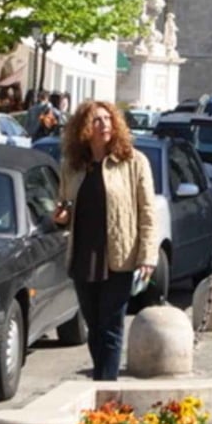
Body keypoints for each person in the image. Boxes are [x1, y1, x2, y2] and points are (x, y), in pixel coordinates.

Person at [53, 102, 158, 381]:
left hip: (119, 256)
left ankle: (105, 391)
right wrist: (61, 216)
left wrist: (147, 256)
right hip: (84, 255)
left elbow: (148, 212)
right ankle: (100, 381)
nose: (105, 124)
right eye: (97, 120)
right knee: (94, 325)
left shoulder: (134, 162)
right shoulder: (72, 166)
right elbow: (64, 207)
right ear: (84, 129)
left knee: (111, 326)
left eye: (108, 119)